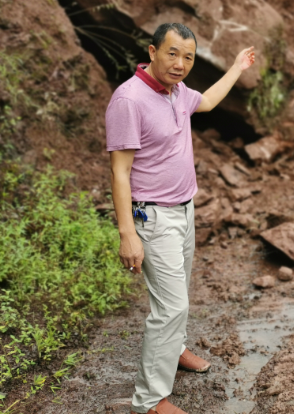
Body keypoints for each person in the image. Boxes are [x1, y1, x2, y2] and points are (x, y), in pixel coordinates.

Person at [106, 23, 255, 414]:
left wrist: (237, 68)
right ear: (152, 51)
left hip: (184, 210)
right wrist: (128, 234)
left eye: (188, 57)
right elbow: (120, 172)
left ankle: (174, 350)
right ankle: (149, 399)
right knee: (170, 307)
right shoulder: (129, 100)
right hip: (153, 218)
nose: (180, 63)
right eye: (172, 53)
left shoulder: (176, 92)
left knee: (179, 299)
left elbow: (205, 102)